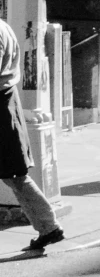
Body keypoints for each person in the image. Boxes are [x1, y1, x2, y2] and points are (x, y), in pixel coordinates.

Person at [0, 14, 66, 257]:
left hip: (2, 108)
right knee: (14, 174)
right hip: (5, 106)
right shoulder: (4, 27)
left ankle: (49, 226)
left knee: (14, 174)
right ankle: (48, 227)